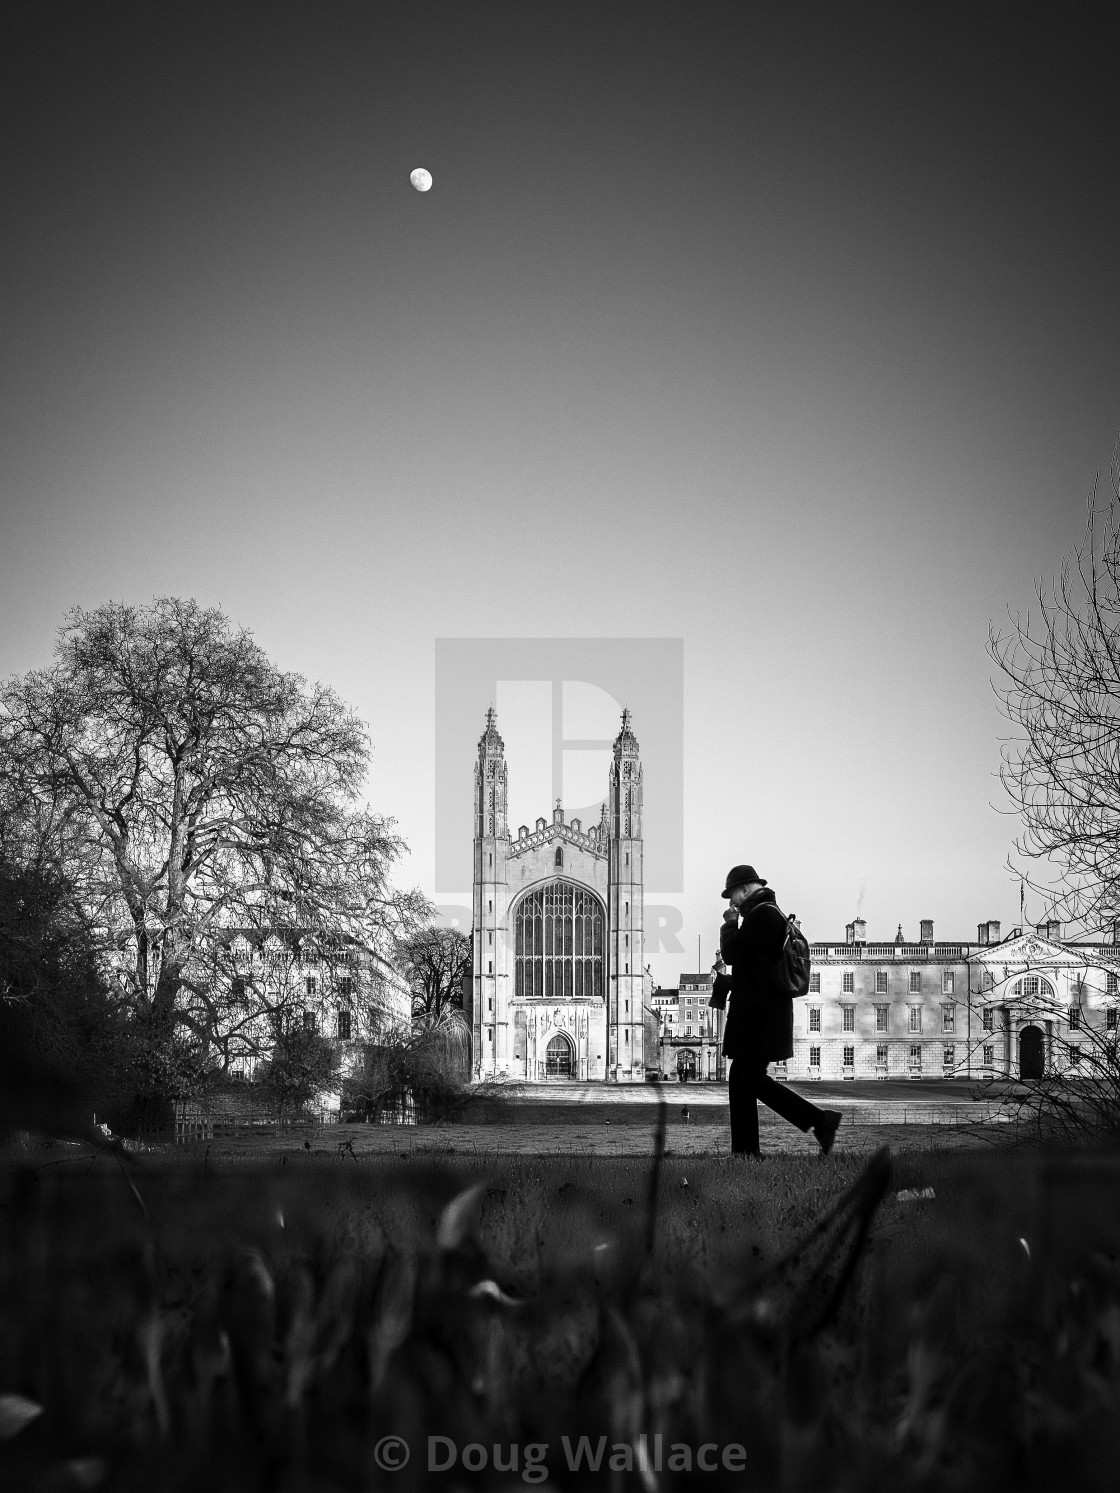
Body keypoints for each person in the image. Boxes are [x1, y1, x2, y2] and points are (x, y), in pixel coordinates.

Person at [717, 864, 841, 1158]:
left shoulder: (762, 915)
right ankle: (746, 1152)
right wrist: (730, 983)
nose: (731, 903)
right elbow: (757, 969)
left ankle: (819, 1120)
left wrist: (729, 923)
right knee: (742, 1078)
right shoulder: (769, 915)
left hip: (759, 1017)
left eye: (732, 896)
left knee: (749, 1078)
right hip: (762, 1013)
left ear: (745, 889)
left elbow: (733, 954)